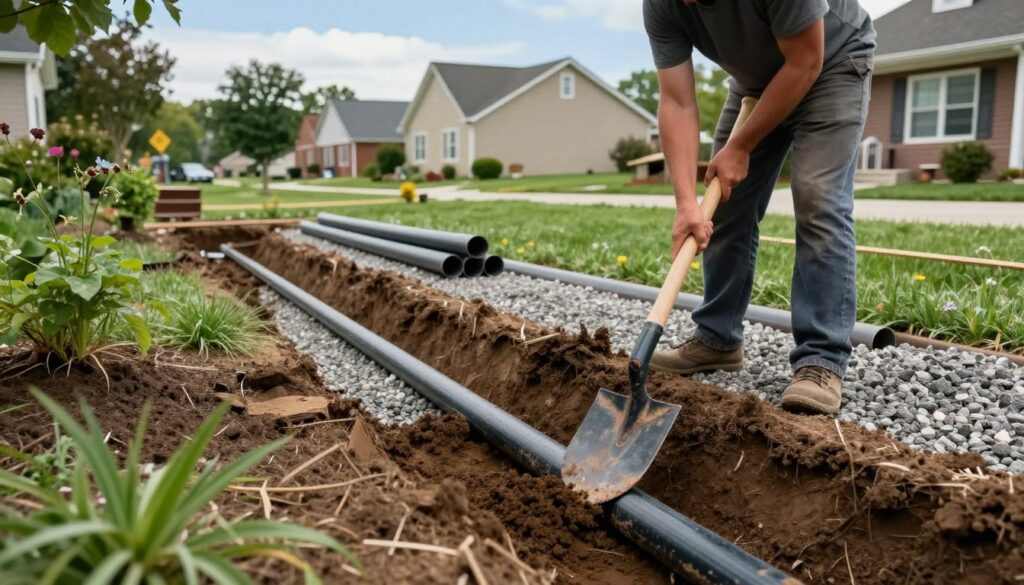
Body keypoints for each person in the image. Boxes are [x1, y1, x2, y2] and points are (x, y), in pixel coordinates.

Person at [643, 0, 876, 415]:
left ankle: (821, 360)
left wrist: (742, 146)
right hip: (756, 84)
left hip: (833, 63)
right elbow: (676, 101)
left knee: (818, 199)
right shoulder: (661, 5)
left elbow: (805, 61)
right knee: (724, 205)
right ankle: (717, 339)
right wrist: (685, 204)